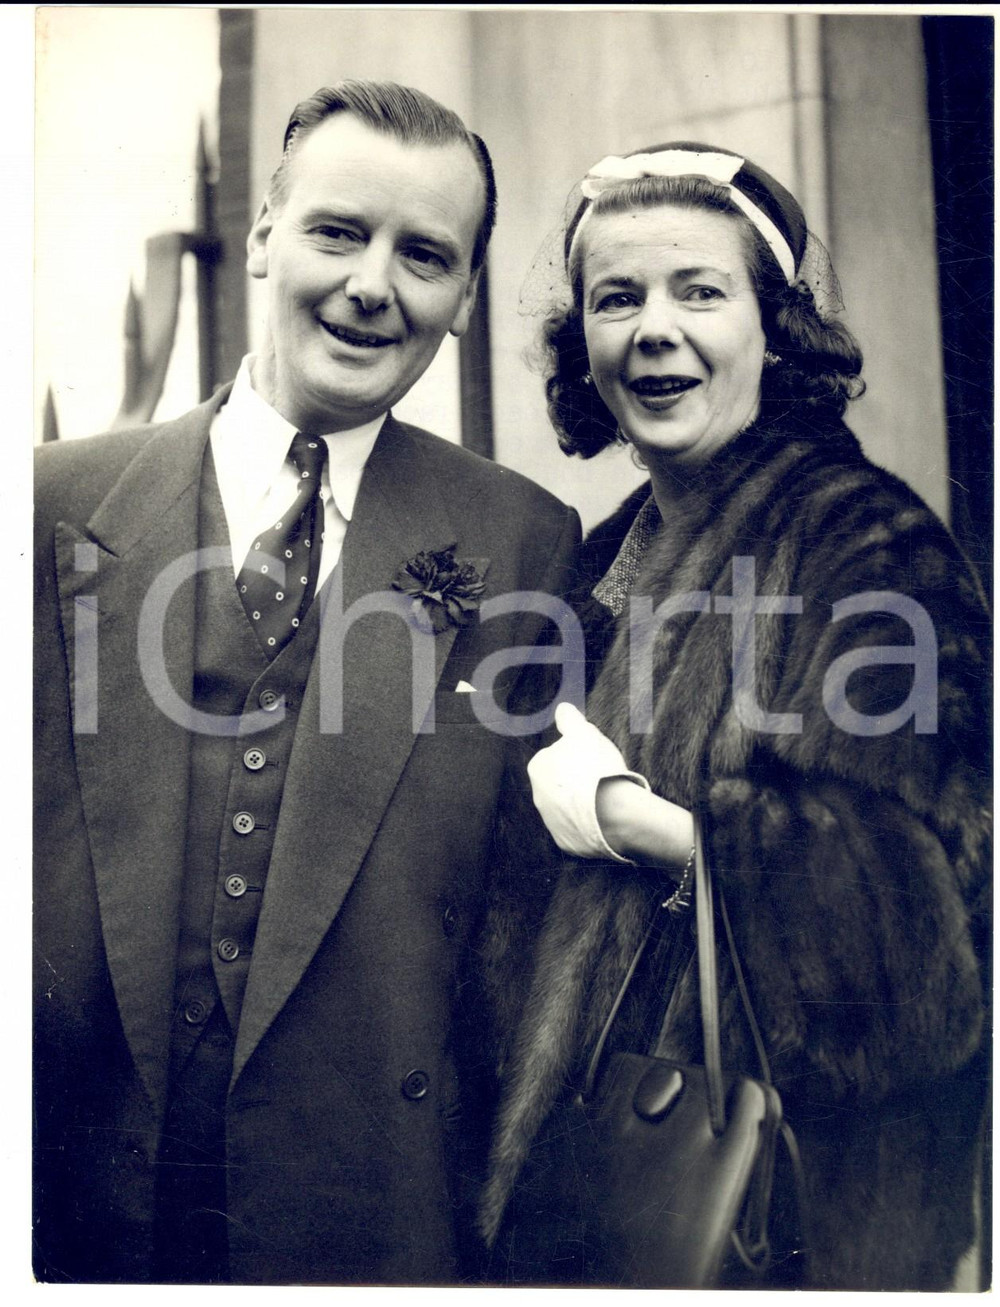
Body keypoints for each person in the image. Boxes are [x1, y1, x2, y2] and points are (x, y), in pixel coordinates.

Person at [33, 80, 580, 1285]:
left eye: (424, 254)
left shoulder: (523, 541)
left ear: (463, 297)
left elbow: (523, 929)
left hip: (359, 1208)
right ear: (269, 234)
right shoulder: (50, 506)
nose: (374, 285)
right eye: (339, 231)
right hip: (71, 1198)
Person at [477, 143, 991, 1290]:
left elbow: (916, 956)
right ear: (584, 348)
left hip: (790, 1224)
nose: (652, 328)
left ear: (775, 327)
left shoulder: (867, 546)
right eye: (616, 298)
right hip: (598, 1197)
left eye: (699, 291)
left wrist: (643, 822)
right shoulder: (606, 556)